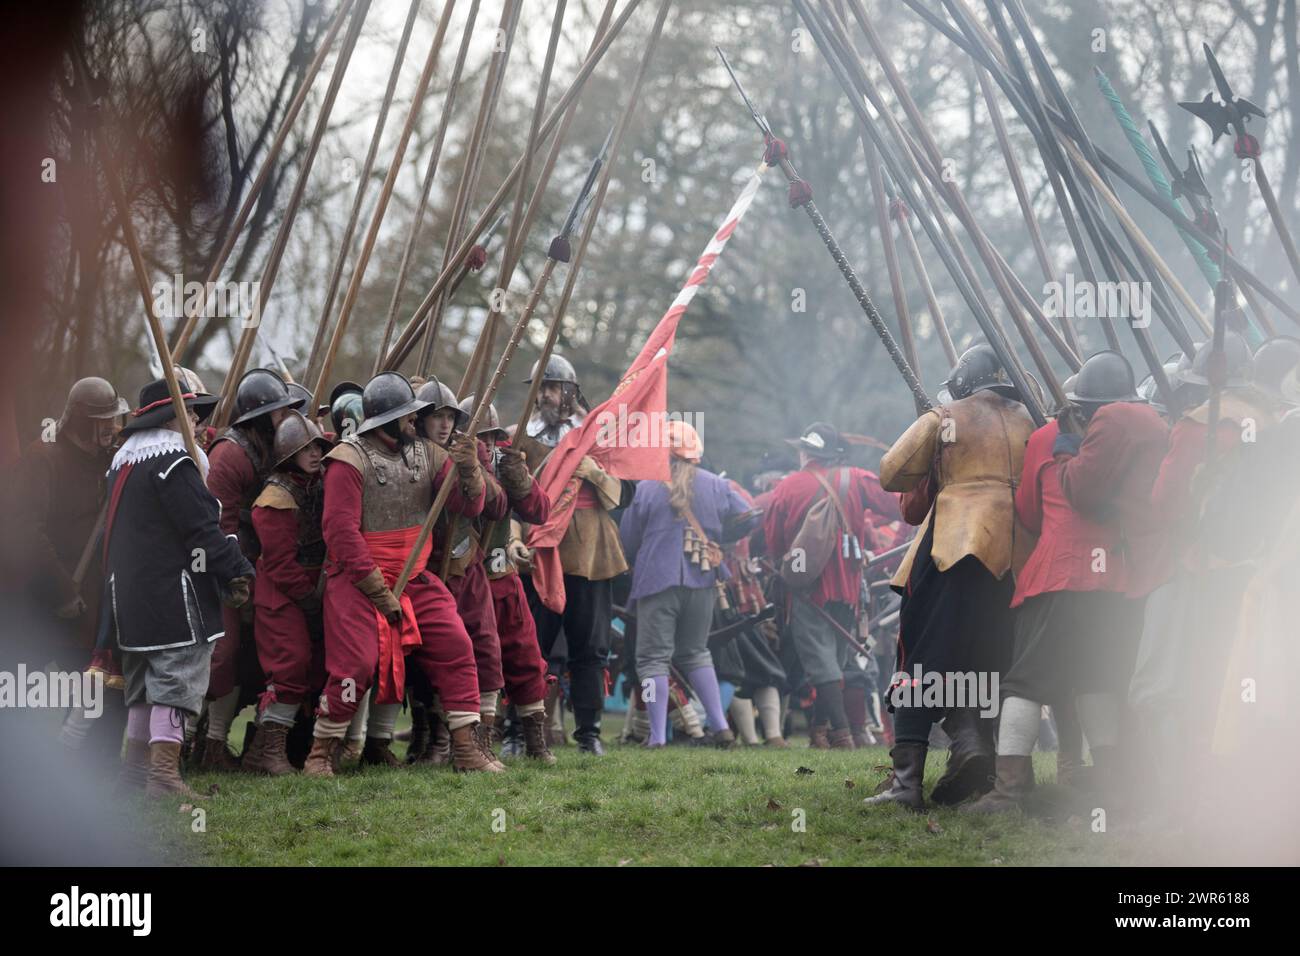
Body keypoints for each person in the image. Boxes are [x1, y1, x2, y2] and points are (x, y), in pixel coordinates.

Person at [966, 351, 1168, 813]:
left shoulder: (1046, 438)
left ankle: (1008, 790)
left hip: (1061, 572)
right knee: (1096, 680)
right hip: (1117, 576)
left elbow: (1030, 514)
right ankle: (1111, 788)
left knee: (1023, 685)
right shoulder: (1145, 427)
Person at [307, 372, 499, 775]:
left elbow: (470, 507)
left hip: (414, 576)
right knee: (355, 664)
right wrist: (378, 591)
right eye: (408, 416)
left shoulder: (429, 454)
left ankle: (466, 748)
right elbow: (340, 534)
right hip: (357, 579)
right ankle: (321, 753)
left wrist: (469, 473)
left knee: (456, 643)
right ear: (388, 419)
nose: (417, 421)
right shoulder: (347, 460)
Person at [868, 345, 1033, 811]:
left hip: (953, 546)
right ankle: (978, 752)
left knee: (921, 664)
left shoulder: (945, 416)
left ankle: (906, 786)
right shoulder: (1032, 419)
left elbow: (891, 473)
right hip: (1018, 551)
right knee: (992, 660)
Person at [101, 379, 253, 798]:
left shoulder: (124, 462)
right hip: (174, 595)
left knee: (144, 688)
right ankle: (163, 776)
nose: (200, 422)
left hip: (129, 595)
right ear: (170, 417)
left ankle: (134, 774)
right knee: (175, 685)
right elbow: (202, 530)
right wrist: (237, 571)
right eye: (191, 413)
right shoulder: (174, 462)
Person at [6, 377, 128, 765]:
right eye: (102, 420)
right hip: (38, 601)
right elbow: (25, 530)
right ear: (80, 420)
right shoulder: (42, 458)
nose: (110, 428)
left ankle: (90, 773)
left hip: (87, 606)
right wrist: (59, 591)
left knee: (97, 693)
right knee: (18, 692)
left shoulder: (107, 462)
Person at [518, 355, 631, 755]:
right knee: (530, 646)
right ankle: (521, 734)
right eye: (540, 387)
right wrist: (516, 537)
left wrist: (593, 471)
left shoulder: (598, 433)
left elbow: (625, 494)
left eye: (552, 387)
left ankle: (589, 736)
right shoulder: (522, 437)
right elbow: (513, 496)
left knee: (591, 648)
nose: (546, 395)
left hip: (592, 552)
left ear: (570, 391)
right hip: (539, 549)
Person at [619, 420, 757, 747]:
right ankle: (721, 727)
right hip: (704, 579)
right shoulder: (717, 486)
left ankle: (656, 736)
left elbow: (627, 540)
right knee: (696, 653)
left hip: (656, 581)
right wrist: (720, 541)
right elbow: (749, 517)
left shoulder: (646, 487)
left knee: (652, 659)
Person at [761, 422, 898, 751]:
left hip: (807, 587)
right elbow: (899, 506)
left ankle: (842, 736)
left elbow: (775, 545)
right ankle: (821, 733)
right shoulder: (856, 478)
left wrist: (790, 571)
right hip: (849, 586)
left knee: (823, 664)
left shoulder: (786, 487)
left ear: (805, 452)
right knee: (834, 660)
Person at [200, 368, 304, 770]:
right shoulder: (231, 454)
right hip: (223, 565)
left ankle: (214, 744)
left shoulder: (272, 446)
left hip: (261, 563)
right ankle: (194, 743)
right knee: (219, 656)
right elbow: (216, 524)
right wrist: (236, 573)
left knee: (249, 657)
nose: (285, 419)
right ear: (261, 417)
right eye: (278, 412)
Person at [241, 411, 332, 775]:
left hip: (315, 589)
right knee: (289, 666)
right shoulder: (274, 498)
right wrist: (309, 600)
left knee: (315, 669)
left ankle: (265, 751)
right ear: (288, 453)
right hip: (282, 596)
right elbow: (279, 563)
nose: (314, 454)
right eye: (305, 448)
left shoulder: (322, 483)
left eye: (318, 447)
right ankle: (268, 752)